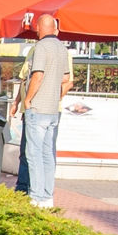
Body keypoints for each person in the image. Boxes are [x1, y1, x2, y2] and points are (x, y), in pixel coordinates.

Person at [20, 13, 72, 209]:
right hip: (53, 109)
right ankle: (48, 196)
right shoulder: (62, 48)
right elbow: (66, 78)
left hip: (38, 106)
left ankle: (36, 196)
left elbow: (38, 75)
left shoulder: (41, 47)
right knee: (48, 154)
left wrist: (28, 98)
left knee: (33, 153)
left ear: (40, 28)